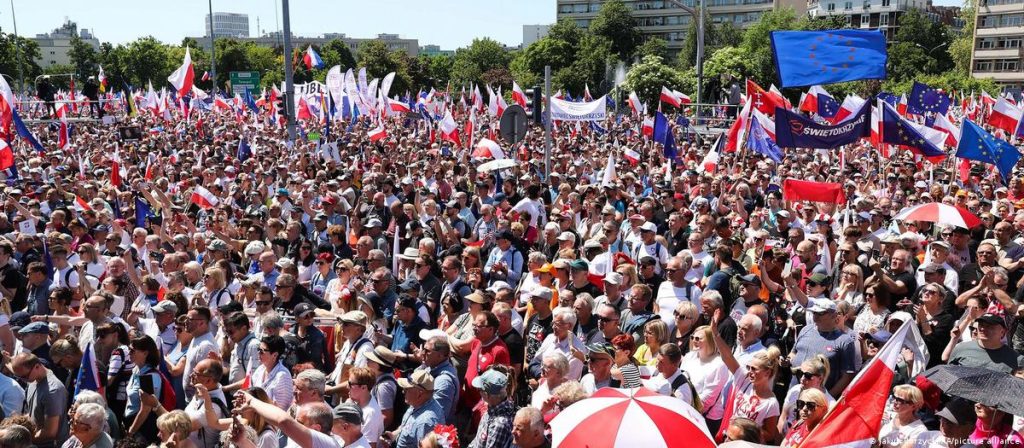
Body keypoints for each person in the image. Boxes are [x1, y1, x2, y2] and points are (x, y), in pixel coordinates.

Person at [711, 310, 781, 444]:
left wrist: (744, 433)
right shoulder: (744, 380)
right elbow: (727, 357)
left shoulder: (771, 403)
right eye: (748, 368)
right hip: (728, 441)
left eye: (754, 369)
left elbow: (770, 434)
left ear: (767, 373)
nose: (749, 372)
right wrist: (715, 333)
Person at [10, 353, 68, 448]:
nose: (23, 380)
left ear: (37, 366)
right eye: (19, 377)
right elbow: (32, 414)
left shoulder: (53, 391)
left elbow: (50, 432)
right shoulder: (33, 380)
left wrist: (21, 440)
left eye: (24, 376)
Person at [947, 313, 1023, 373]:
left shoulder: (1017, 360)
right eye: (981, 325)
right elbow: (949, 373)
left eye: (989, 326)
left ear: (1002, 332)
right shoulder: (960, 348)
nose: (983, 329)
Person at [385, 370, 443, 448]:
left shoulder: (426, 422)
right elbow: (407, 427)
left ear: (419, 393)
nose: (403, 391)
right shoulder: (417, 402)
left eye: (407, 389)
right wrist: (394, 435)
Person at [124, 335, 165, 444]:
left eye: (132, 351)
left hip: (143, 429)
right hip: (132, 423)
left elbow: (145, 409)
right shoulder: (136, 370)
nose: (129, 353)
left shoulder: (149, 377)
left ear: (145, 353)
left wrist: (131, 431)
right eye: (129, 350)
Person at [468, 369, 515, 448]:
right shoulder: (491, 409)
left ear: (487, 395)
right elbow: (477, 441)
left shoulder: (499, 424)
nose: (479, 392)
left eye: (479, 390)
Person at [249, 335, 295, 410]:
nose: (258, 353)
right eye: (258, 349)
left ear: (274, 355)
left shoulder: (283, 376)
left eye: (261, 351)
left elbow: (280, 409)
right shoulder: (260, 369)